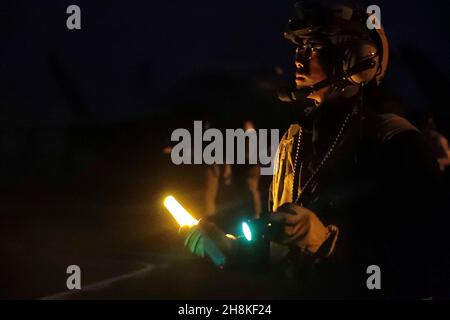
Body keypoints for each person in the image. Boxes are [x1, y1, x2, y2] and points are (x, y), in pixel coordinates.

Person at [268, 1, 449, 298]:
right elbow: (281, 252)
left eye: (313, 47)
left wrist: (330, 245)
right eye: (297, 48)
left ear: (355, 60)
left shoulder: (395, 141)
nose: (298, 60)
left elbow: (428, 262)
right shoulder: (294, 140)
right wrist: (236, 248)